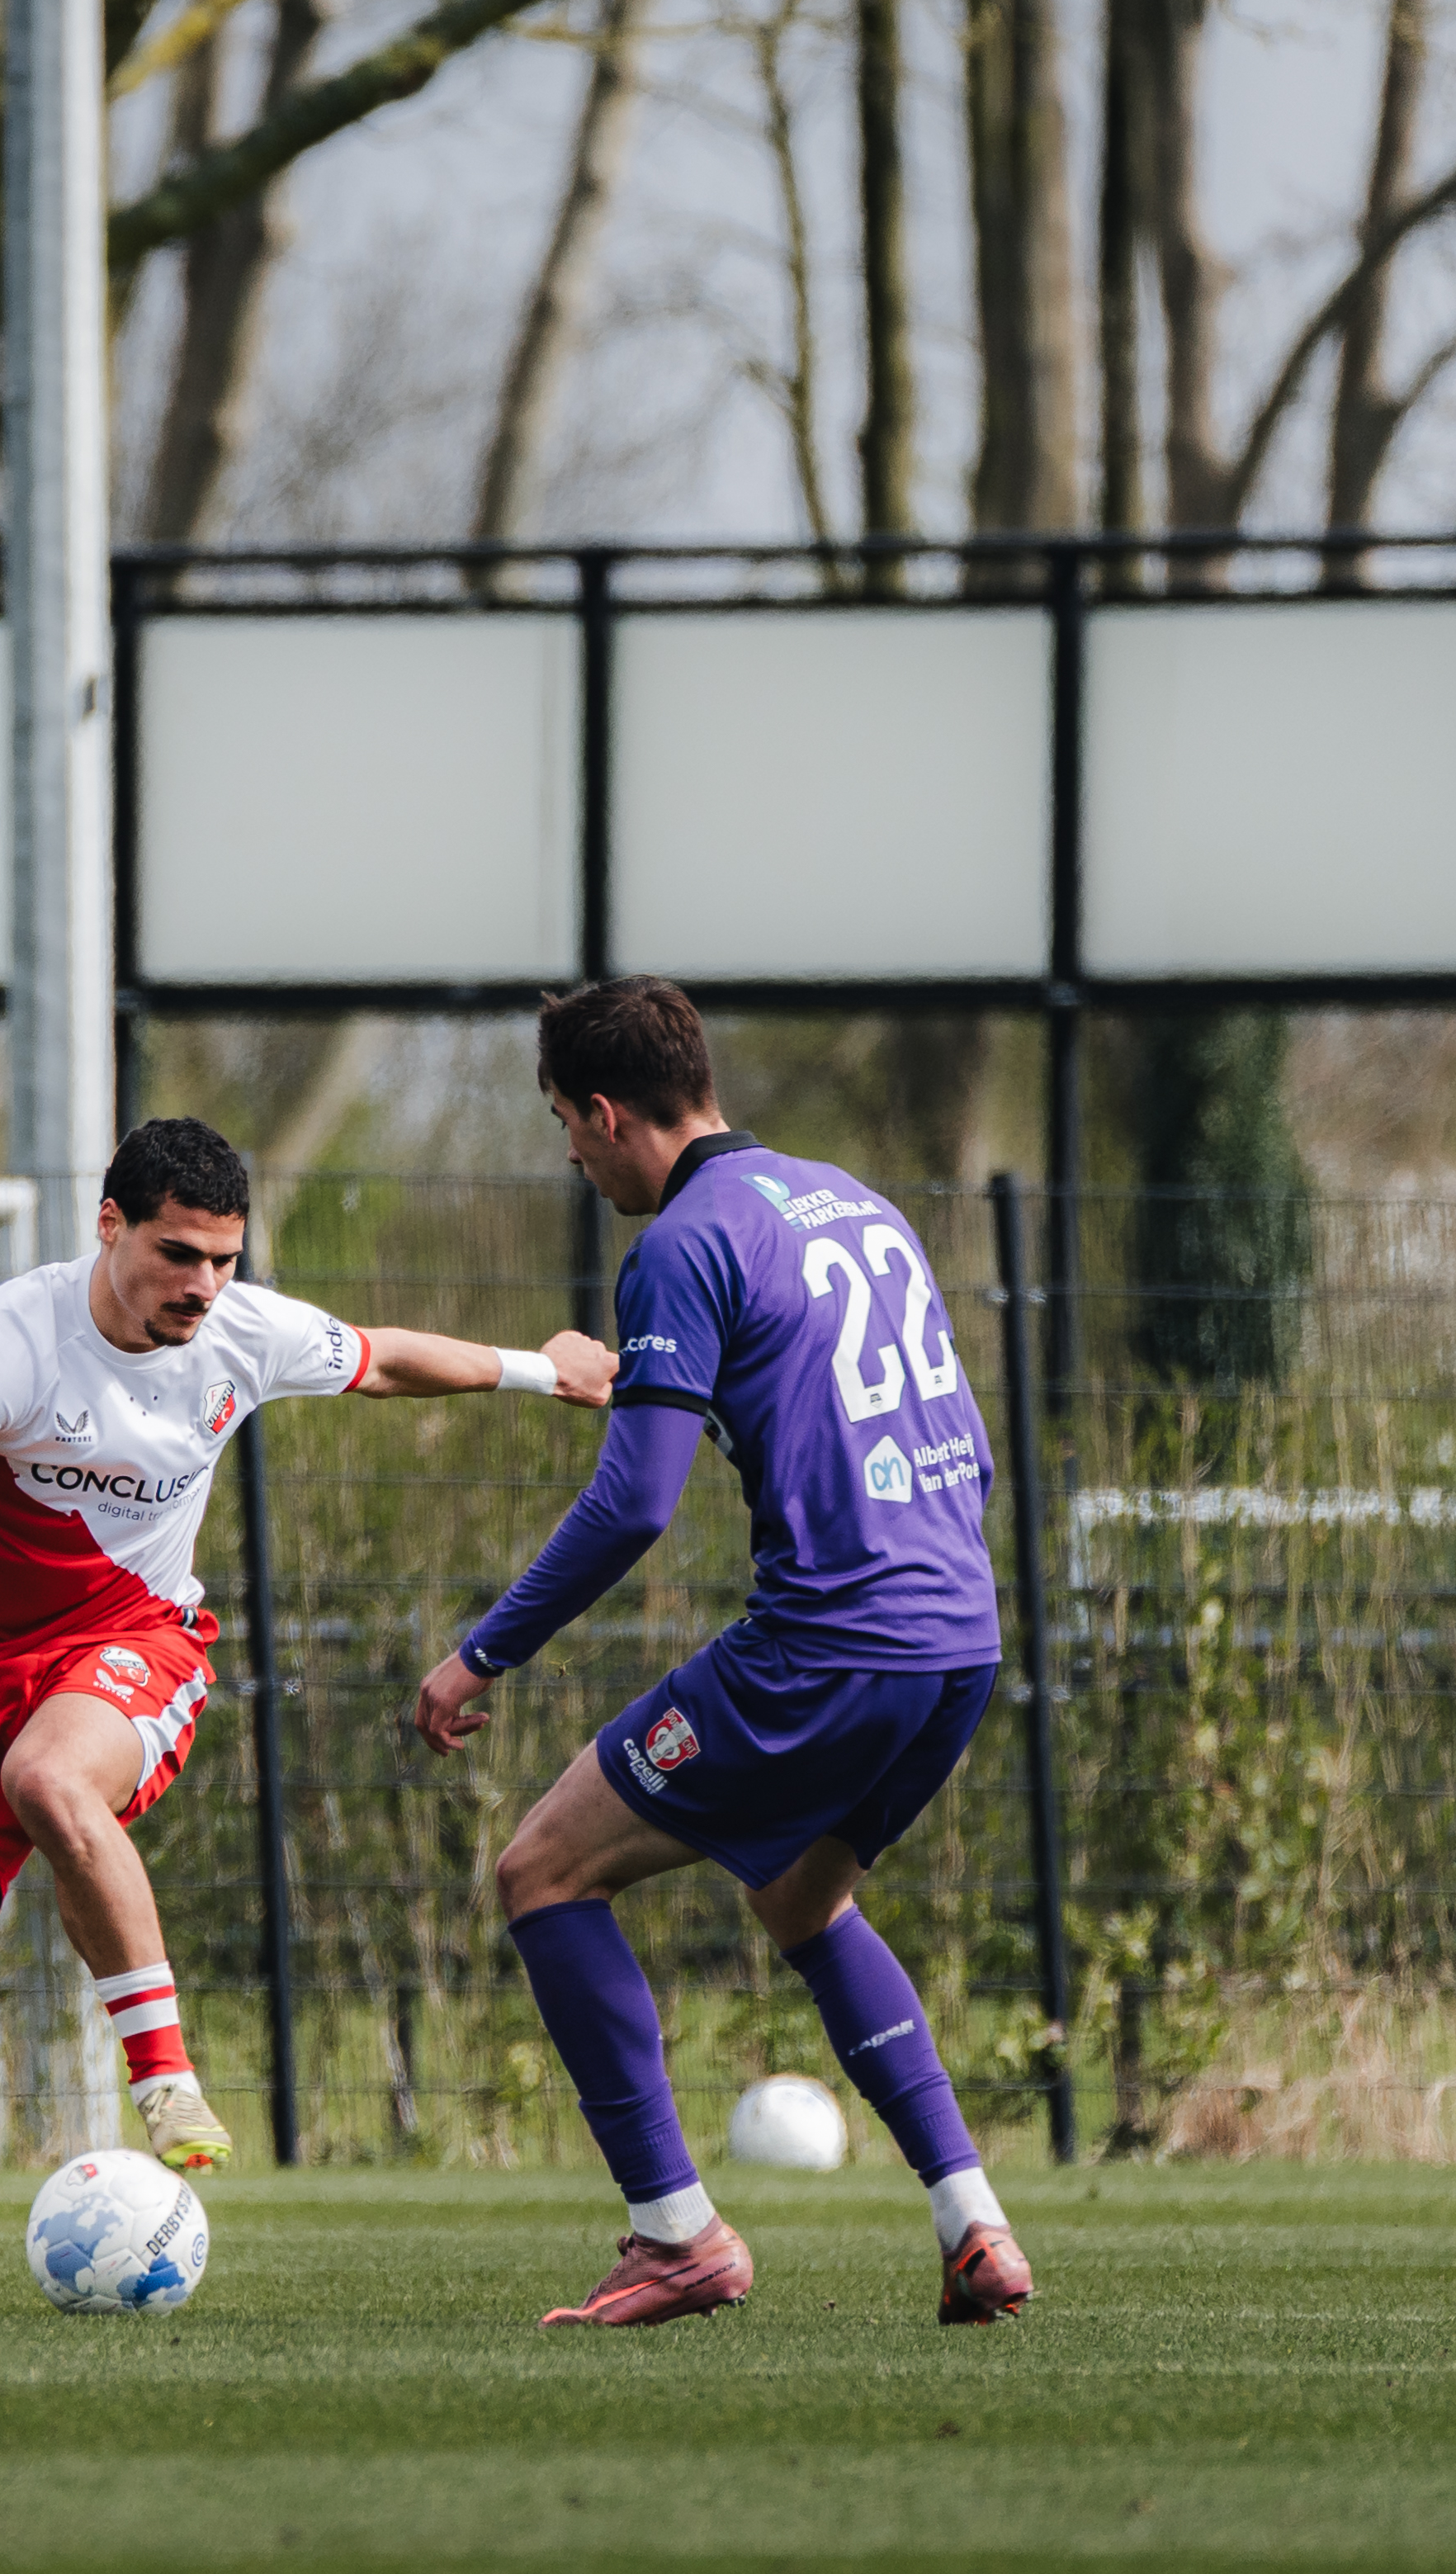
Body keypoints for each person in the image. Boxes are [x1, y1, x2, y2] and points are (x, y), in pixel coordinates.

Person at [0, 1114, 612, 2318]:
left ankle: (166, 2079)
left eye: (223, 1259)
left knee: (50, 1776)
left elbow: (387, 1356)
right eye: (177, 1252)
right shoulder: (8, 1335)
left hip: (134, 1644)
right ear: (109, 1225)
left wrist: (537, 1366)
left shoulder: (241, 1332)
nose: (202, 1284)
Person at [410, 977, 1034, 2330]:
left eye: (567, 1131)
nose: (570, 1159)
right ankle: (970, 2220)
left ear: (603, 1109)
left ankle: (674, 2232)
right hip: (959, 1638)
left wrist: (479, 1656)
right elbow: (966, 1448)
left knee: (541, 1870)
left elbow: (632, 1503)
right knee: (804, 1905)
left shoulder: (683, 1242)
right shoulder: (852, 1201)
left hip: (828, 1645)